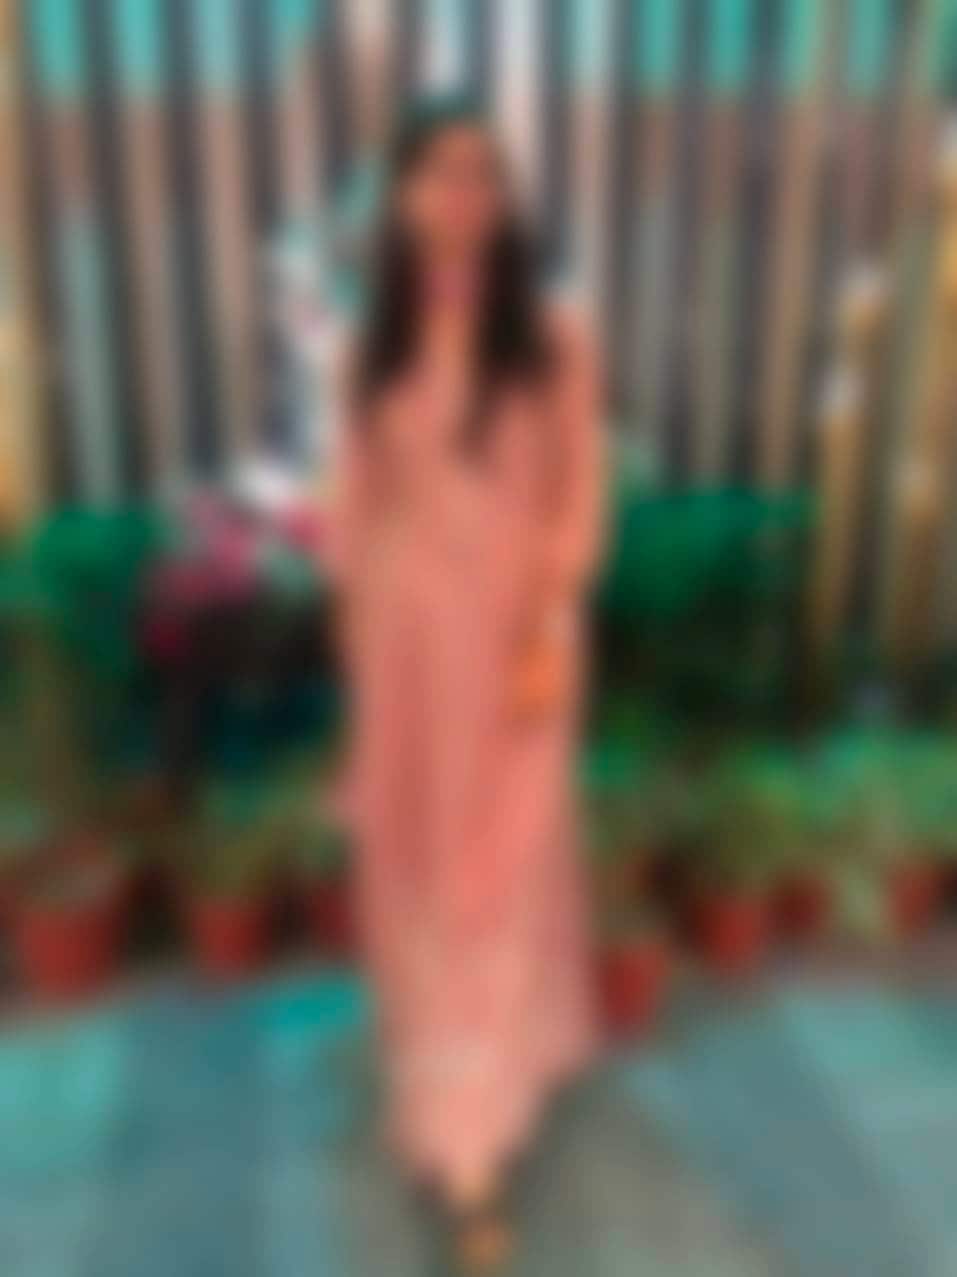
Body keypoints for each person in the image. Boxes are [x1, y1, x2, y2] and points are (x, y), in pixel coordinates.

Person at [332, 92, 604, 1271]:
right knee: (423, 868)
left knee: (503, 870)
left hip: (515, 650)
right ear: (401, 194)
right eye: (441, 170)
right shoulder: (374, 346)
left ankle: (487, 1107)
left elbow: (579, 494)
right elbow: (355, 510)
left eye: (485, 172)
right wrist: (362, 653)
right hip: (407, 660)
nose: (465, 193)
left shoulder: (552, 339)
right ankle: (455, 1118)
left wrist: (548, 621)